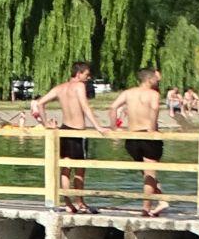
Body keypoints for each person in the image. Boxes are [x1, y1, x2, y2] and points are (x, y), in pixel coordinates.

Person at [45, 60, 104, 211]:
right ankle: (80, 202)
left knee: (65, 168)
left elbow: (40, 103)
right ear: (78, 74)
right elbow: (85, 107)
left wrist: (46, 123)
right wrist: (98, 126)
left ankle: (68, 203)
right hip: (77, 131)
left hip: (64, 130)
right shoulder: (79, 86)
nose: (88, 78)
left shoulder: (60, 88)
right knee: (80, 169)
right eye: (86, 75)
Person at [110, 66, 167, 216]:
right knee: (150, 173)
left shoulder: (128, 93)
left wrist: (113, 127)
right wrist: (152, 129)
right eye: (155, 78)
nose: (157, 80)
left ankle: (162, 201)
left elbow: (113, 107)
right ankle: (146, 208)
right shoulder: (153, 94)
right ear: (149, 79)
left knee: (147, 172)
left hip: (132, 136)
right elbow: (154, 110)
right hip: (147, 136)